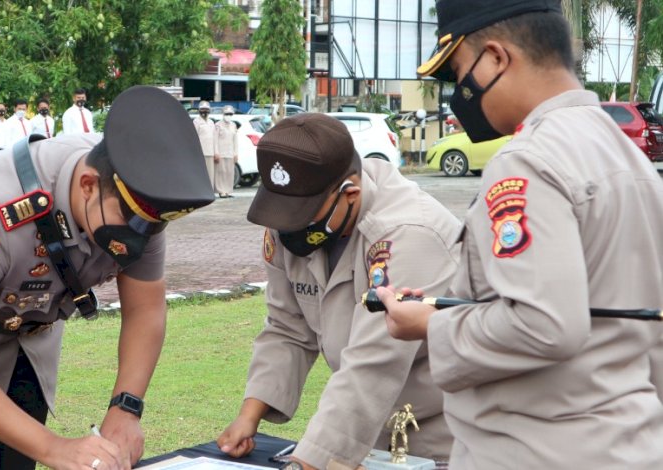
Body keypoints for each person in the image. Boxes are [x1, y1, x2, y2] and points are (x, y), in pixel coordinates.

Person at [377, 1, 663, 468]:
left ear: (495, 58)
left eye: (458, 73)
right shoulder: (626, 156)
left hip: (533, 447)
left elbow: (544, 324)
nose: (459, 93)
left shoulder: (528, 161)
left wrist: (428, 324)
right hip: (629, 442)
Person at [0, 86, 216, 470]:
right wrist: (55, 449)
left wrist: (126, 407)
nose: (138, 239)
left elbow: (145, 310)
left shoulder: (136, 201)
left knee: (17, 456)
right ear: (88, 185)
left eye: (151, 227)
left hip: (30, 322)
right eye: (130, 225)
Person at [216, 115, 458, 470]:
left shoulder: (408, 233)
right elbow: (287, 327)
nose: (288, 228)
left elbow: (373, 364)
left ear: (351, 193)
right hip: (368, 435)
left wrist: (306, 463)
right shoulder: (292, 223)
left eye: (302, 216)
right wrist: (248, 416)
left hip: (441, 438)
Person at [213, 106, 238, 198]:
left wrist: (236, 153)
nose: (228, 116)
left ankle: (228, 190)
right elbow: (215, 140)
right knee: (221, 172)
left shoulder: (233, 125)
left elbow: (235, 140)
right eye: (227, 114)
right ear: (223, 114)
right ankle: (221, 191)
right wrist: (216, 152)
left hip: (230, 153)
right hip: (220, 152)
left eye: (230, 114)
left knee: (229, 172)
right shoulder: (218, 125)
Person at [193, 101, 216, 190]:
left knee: (210, 173)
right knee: (201, 173)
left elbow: (214, 138)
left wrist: (215, 152)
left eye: (206, 109)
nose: (204, 111)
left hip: (210, 152)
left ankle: (210, 190)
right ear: (199, 110)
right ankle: (201, 190)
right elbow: (195, 138)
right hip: (201, 152)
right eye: (202, 109)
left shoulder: (211, 122)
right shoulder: (196, 121)